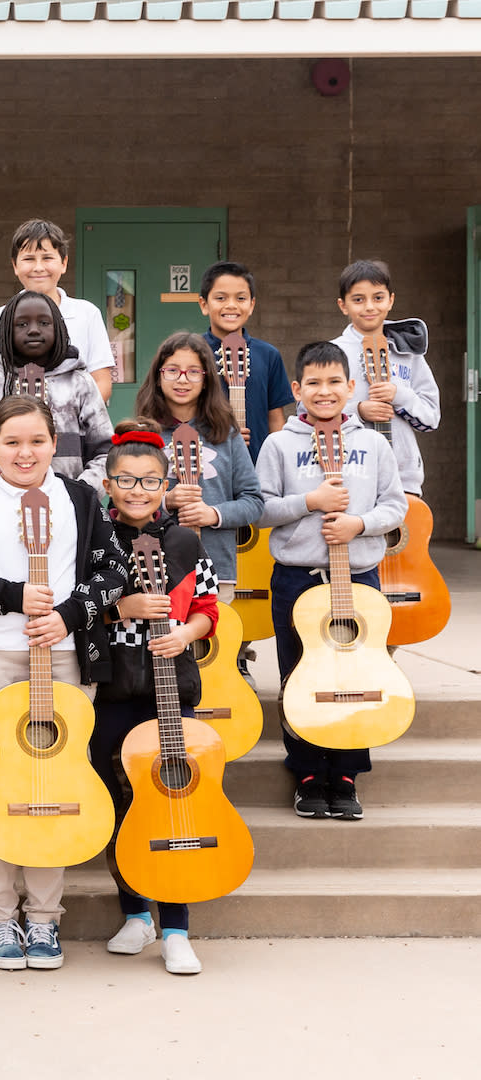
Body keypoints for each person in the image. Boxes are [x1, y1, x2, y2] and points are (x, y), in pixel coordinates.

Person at [0, 395, 128, 971]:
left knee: (56, 781)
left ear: (54, 444)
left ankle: (43, 918)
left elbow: (114, 571)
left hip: (65, 658)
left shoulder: (82, 500)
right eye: (11, 441)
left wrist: (69, 612)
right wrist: (10, 595)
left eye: (37, 440)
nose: (24, 452)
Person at [255, 342, 406, 821]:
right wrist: (311, 502)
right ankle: (306, 773)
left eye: (334, 382)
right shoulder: (279, 444)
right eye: (314, 383)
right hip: (298, 581)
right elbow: (261, 508)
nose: (324, 392)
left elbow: (395, 507)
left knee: (359, 675)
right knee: (299, 676)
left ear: (351, 387)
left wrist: (357, 524)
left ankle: (345, 775)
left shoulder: (374, 444)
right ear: (297, 389)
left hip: (358, 578)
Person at [92, 419, 219, 976]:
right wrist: (120, 609)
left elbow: (208, 609)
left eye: (149, 482)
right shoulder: (93, 539)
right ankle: (134, 912)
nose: (137, 490)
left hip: (172, 689)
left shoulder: (186, 542)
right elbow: (76, 607)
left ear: (165, 486)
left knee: (172, 802)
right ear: (108, 483)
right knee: (119, 805)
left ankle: (175, 927)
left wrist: (185, 634)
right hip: (112, 690)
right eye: (127, 480)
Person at [133, 332, 263, 600]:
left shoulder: (226, 434)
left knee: (214, 640)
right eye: (172, 370)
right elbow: (121, 503)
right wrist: (166, 502)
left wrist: (213, 514)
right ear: (158, 376)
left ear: (206, 379)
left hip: (218, 569)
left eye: (193, 371)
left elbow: (253, 501)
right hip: (155, 571)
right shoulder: (142, 435)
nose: (182, 379)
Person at [0, 289, 112, 491]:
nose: (33, 330)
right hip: (2, 504)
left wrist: (81, 492)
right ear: (5, 331)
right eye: (22, 324)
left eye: (44, 323)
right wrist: (6, 467)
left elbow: (106, 451)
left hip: (72, 509)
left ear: (59, 329)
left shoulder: (80, 383)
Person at [331, 259, 439, 498]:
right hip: (348, 476)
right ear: (343, 305)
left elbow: (432, 417)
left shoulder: (409, 354)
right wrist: (357, 410)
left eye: (378, 298)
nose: (369, 307)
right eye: (358, 299)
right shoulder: (331, 353)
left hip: (403, 479)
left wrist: (399, 395)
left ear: (390, 300)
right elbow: (305, 411)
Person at [0, 219, 115, 402]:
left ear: (64, 263)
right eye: (29, 259)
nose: (38, 267)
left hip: (77, 427)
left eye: (47, 258)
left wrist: (71, 416)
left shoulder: (87, 314)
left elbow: (102, 381)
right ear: (15, 266)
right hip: (17, 426)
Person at [199, 261, 294, 460]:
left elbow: (275, 418)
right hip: (205, 463)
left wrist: (280, 462)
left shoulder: (268, 354)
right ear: (204, 304)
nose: (231, 305)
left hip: (258, 463)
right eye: (220, 298)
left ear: (251, 305)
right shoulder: (192, 352)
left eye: (240, 298)